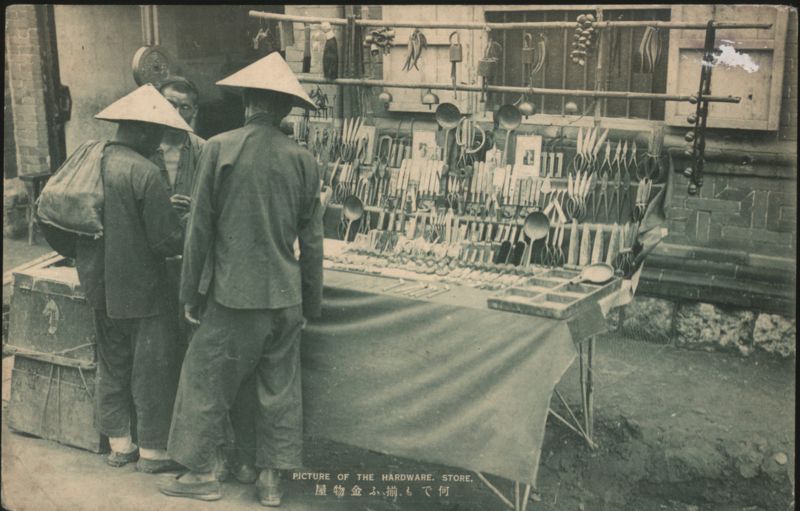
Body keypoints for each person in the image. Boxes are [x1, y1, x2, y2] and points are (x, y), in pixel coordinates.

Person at [158, 53, 323, 506]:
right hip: (285, 298)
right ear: (286, 109)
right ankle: (269, 481)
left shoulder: (218, 147)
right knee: (279, 388)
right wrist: (310, 305)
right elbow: (312, 242)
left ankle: (200, 475)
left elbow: (199, 232)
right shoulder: (304, 159)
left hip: (234, 296)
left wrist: (190, 293)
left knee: (205, 379)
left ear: (248, 102)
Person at [49, 85, 194, 473]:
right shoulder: (145, 172)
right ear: (144, 130)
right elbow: (165, 242)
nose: (160, 140)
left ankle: (119, 445)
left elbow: (57, 220)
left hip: (99, 285)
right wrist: (181, 219)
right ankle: (152, 453)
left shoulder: (89, 158)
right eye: (157, 132)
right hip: (144, 293)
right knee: (151, 369)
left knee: (112, 365)